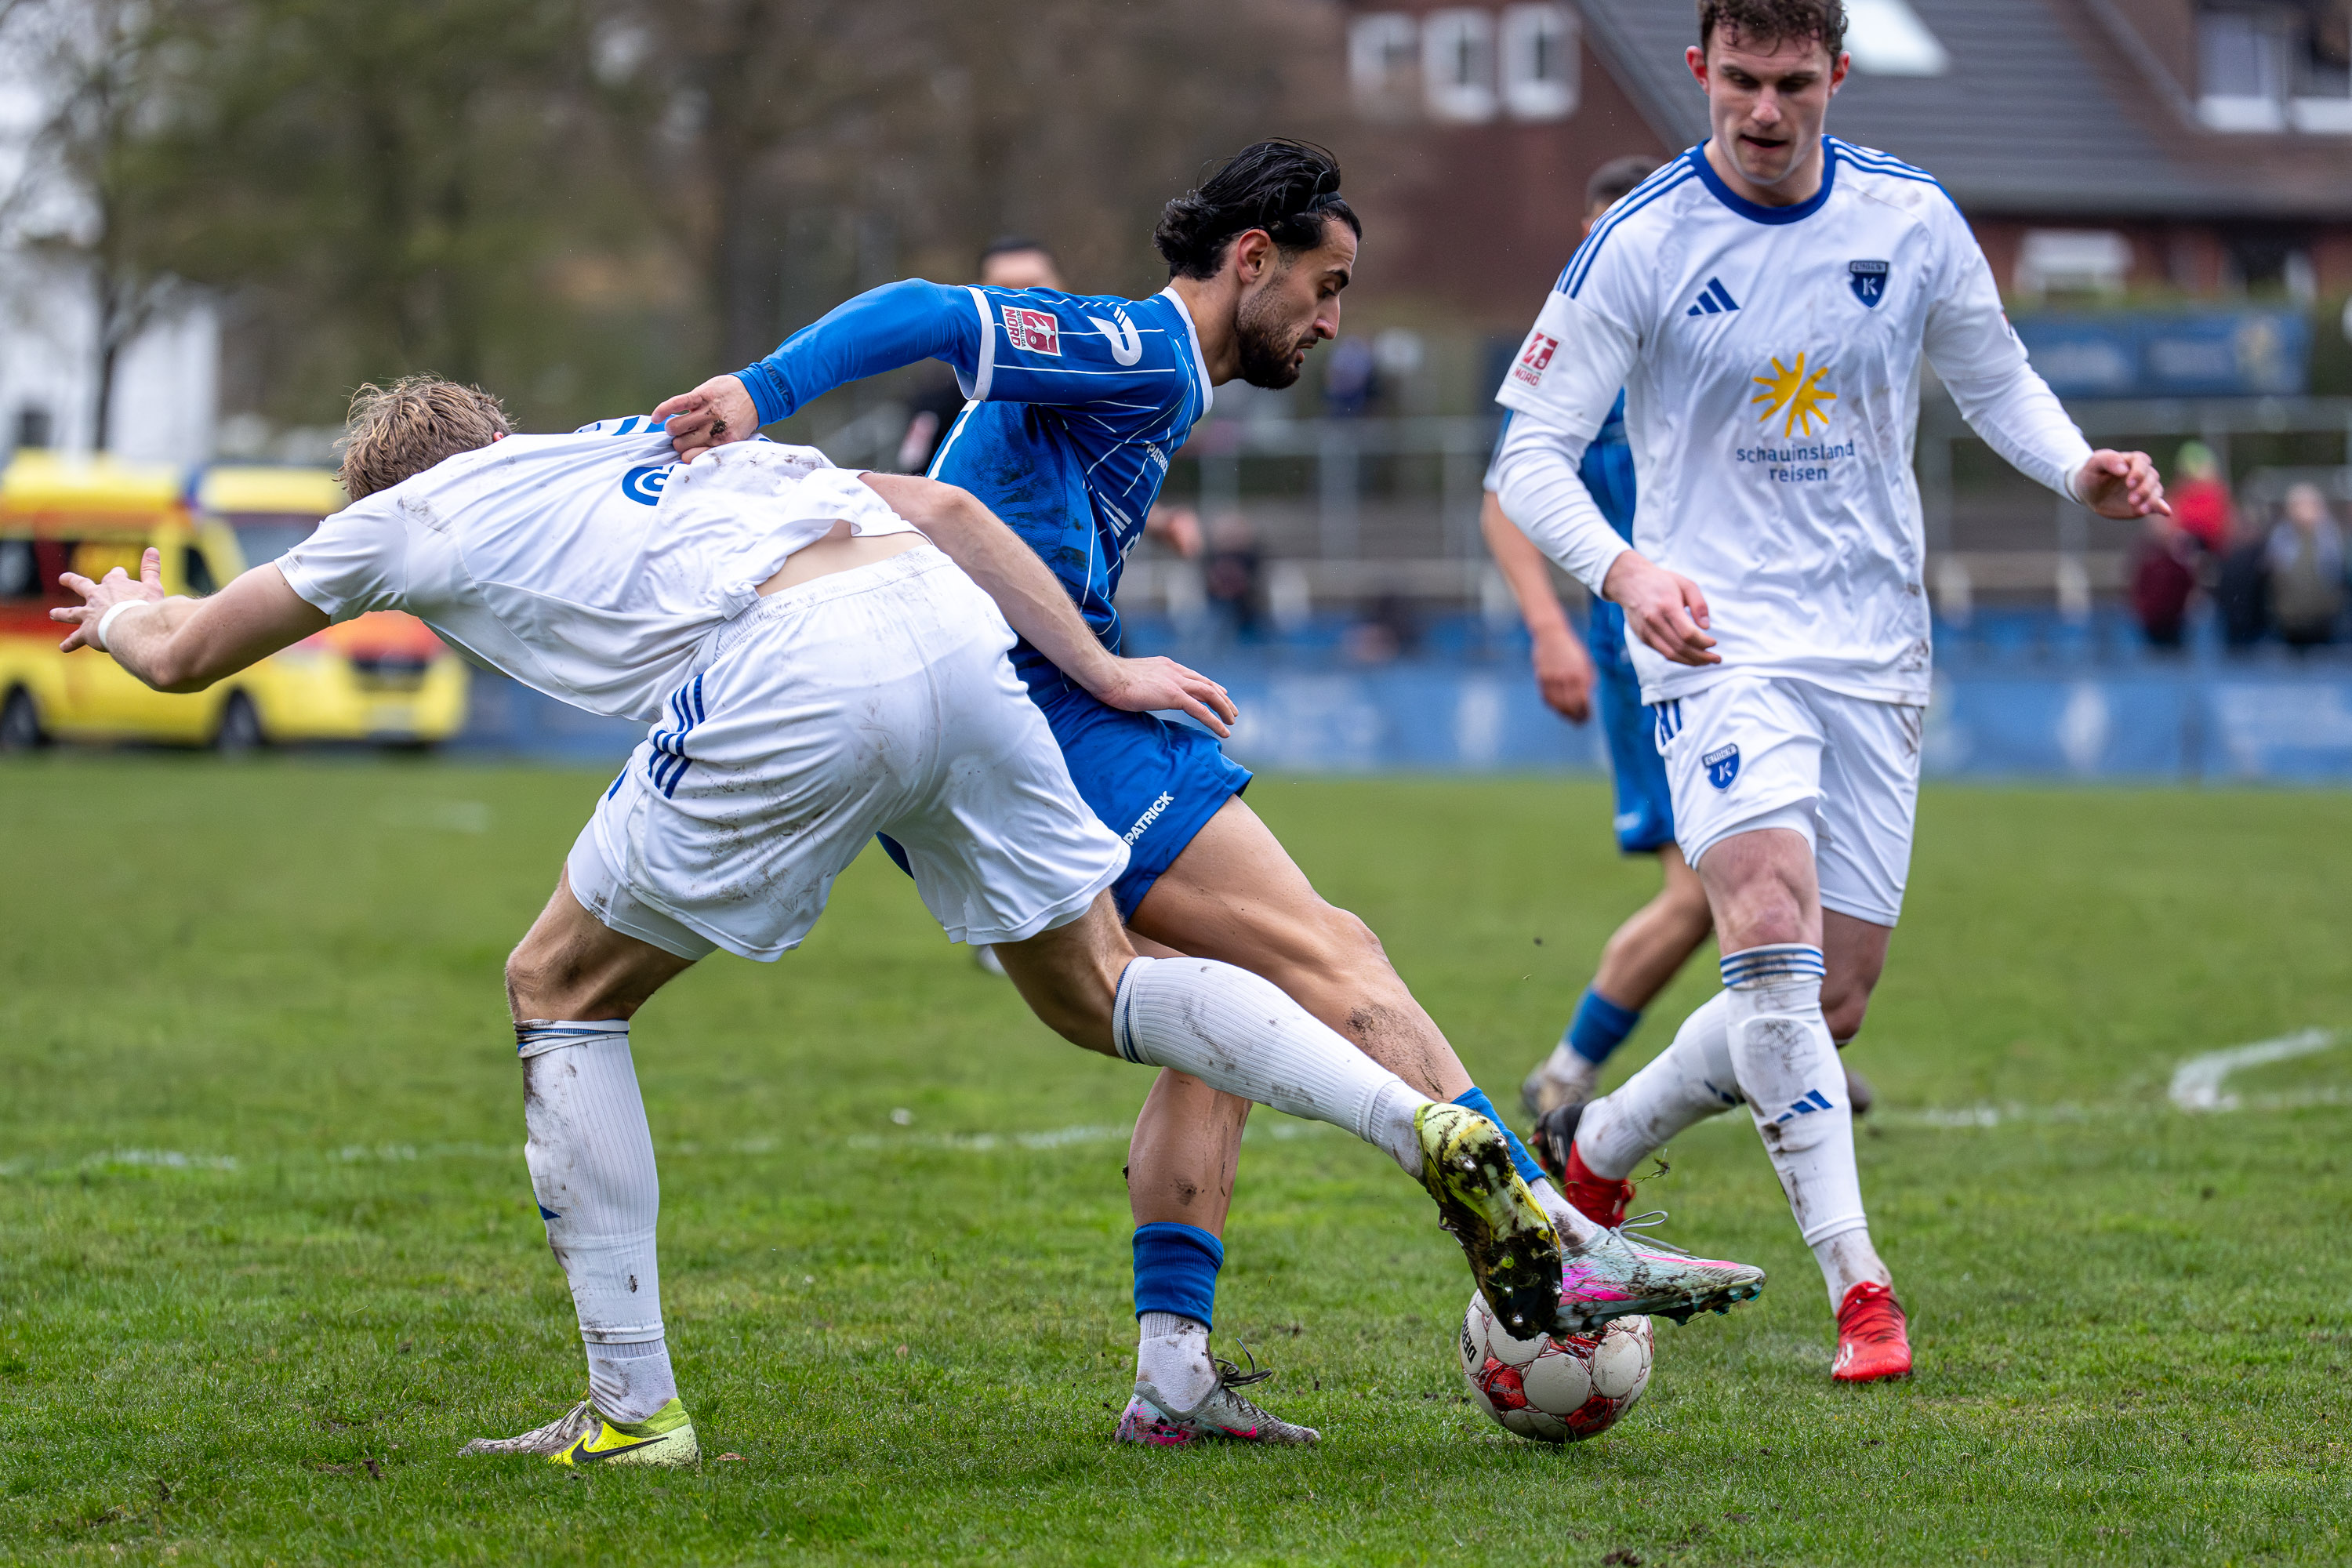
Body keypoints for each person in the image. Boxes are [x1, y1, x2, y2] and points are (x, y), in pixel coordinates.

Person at [56, 377, 1584, 1464]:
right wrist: (1102, 668)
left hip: (794, 659)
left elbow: (185, 655)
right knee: (1105, 981)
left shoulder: (408, 515)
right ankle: (1423, 1126)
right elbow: (941, 507)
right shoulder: (630, 440)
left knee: (559, 983)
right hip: (944, 621)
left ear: (386, 489)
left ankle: (633, 1411)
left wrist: (117, 608)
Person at [655, 138, 1767, 1443]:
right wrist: (758, 392)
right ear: (1252, 260)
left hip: (973, 710)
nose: (1333, 323)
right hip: (1039, 706)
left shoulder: (1161, 383)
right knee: (1334, 954)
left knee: (1224, 1018)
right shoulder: (1146, 347)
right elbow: (932, 312)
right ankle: (1551, 1234)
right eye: (1326, 286)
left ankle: (1173, 1376)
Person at [1488, 0, 2168, 1384]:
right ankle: (1864, 1292)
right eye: (1740, 80)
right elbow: (1528, 460)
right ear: (1699, 70)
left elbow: (1998, 382)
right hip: (1714, 643)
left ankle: (1598, 1149)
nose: (1764, 110)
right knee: (1764, 921)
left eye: (1793, 83)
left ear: (1838, 75)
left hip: (1874, 650)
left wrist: (2079, 469)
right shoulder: (1643, 239)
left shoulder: (1911, 218)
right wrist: (1625, 573)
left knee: (1825, 1000)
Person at [1486, 154, 1719, 1121]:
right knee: (1702, 888)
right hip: (1641, 650)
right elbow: (1507, 498)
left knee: (1780, 858)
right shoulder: (1578, 352)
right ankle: (1571, 1075)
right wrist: (1551, 631)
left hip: (1743, 639)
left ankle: (1785, 1034)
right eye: (1605, 233)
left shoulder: (1712, 339)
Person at [895, 238, 1069, 474]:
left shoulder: (1107, 379)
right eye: (1004, 289)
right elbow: (916, 479)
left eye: (1033, 287)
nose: (1020, 301)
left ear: (1063, 289)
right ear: (976, 296)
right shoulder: (942, 400)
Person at [2267, 481, 2347, 649]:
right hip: (2290, 622)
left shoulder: (2330, 536)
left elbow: (2336, 574)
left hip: (2324, 620)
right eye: (2299, 505)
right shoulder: (2281, 537)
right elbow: (2276, 577)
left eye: (2309, 505)